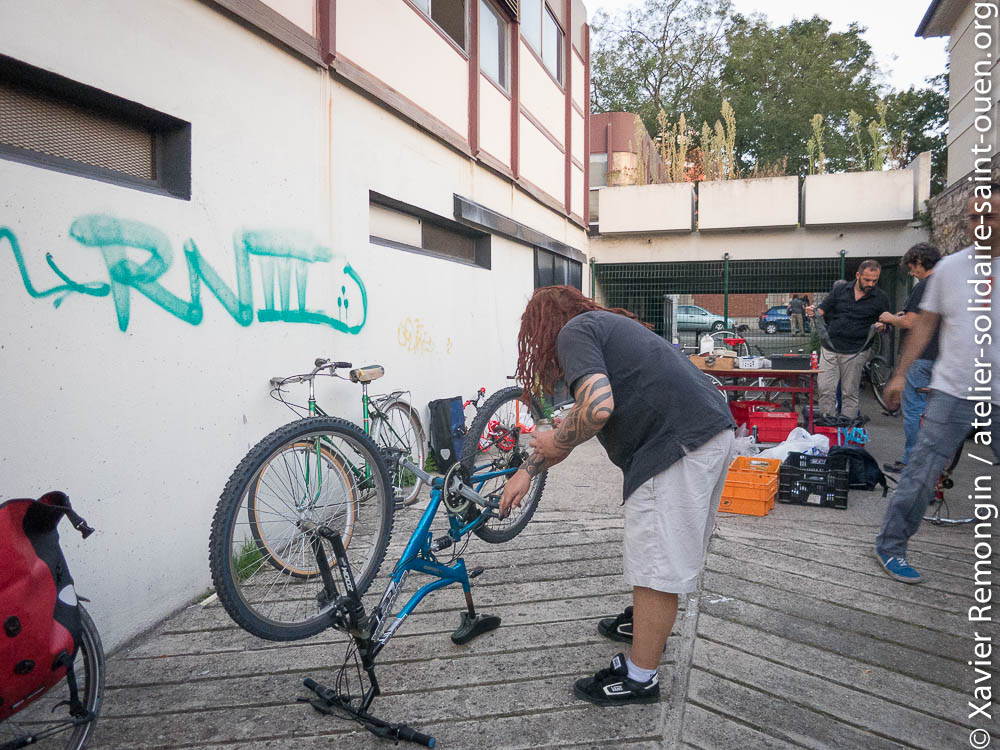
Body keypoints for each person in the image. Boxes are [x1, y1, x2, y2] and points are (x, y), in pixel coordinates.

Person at [499, 286, 735, 706]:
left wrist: (553, 442)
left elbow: (596, 410)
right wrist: (526, 472)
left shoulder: (573, 332)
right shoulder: (607, 327)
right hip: (708, 431)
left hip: (675, 444)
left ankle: (641, 678)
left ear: (544, 325)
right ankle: (643, 624)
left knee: (657, 564)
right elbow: (577, 421)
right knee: (665, 555)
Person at [875, 186, 999, 583]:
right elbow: (924, 325)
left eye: (989, 217)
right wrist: (899, 374)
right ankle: (891, 546)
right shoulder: (950, 269)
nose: (979, 225)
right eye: (972, 218)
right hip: (953, 390)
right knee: (921, 471)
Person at [877, 243, 942, 473]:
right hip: (941, 359)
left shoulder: (923, 286)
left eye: (912, 267)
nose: (911, 272)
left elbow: (913, 323)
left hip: (921, 358)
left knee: (914, 411)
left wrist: (889, 318)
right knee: (934, 414)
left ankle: (912, 461)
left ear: (919, 262)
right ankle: (932, 464)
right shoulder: (946, 283)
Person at [806, 260, 889, 418]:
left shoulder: (880, 297)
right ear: (858, 275)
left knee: (849, 393)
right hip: (830, 347)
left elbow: (886, 323)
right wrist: (812, 312)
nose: (871, 284)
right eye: (867, 280)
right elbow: (822, 310)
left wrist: (882, 326)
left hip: (856, 351)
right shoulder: (840, 290)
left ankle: (846, 431)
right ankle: (827, 426)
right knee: (825, 389)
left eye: (875, 280)